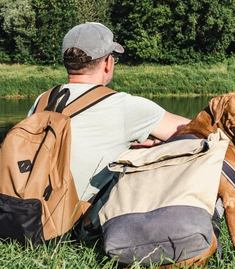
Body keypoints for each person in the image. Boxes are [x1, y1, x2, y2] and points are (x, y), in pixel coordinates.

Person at [28, 22, 190, 202]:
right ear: (107, 62)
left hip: (31, 210)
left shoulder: (43, 99)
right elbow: (198, 132)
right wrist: (161, 147)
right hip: (78, 218)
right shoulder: (125, 105)